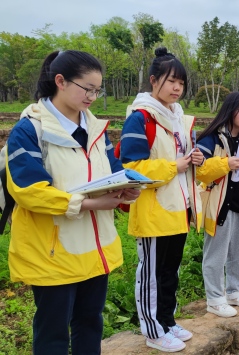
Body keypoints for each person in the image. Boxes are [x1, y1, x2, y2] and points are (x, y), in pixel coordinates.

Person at [6, 50, 140, 355]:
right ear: (60, 81)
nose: (93, 96)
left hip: (95, 249)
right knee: (53, 333)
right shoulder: (30, 130)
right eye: (87, 89)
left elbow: (113, 170)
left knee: (90, 322)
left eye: (97, 90)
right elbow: (29, 191)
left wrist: (125, 191)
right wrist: (92, 204)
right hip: (54, 251)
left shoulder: (96, 130)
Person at [119, 47, 204, 353]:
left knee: (171, 270)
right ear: (153, 81)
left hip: (179, 208)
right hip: (154, 210)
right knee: (151, 274)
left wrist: (192, 159)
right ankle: (152, 330)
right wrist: (176, 165)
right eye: (171, 81)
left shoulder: (179, 119)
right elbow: (132, 168)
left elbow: (179, 161)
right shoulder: (141, 118)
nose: (177, 88)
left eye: (181, 82)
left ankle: (167, 320)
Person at [196, 92, 239, 317]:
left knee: (238, 251)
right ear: (229, 110)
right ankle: (214, 298)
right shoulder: (212, 138)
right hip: (220, 203)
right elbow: (201, 172)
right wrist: (226, 163)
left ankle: (235, 291)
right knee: (216, 253)